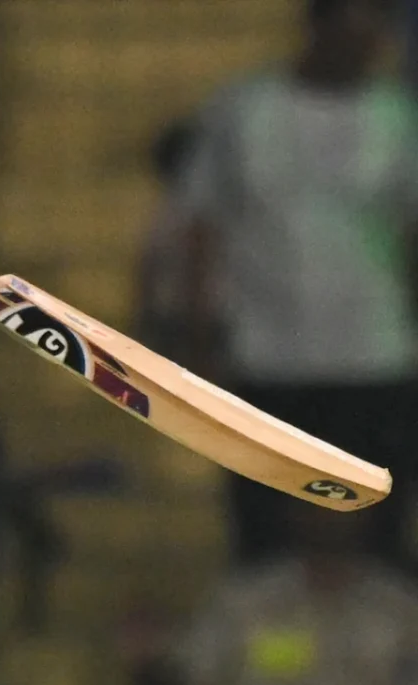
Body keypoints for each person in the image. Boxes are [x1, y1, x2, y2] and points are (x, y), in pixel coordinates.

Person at [177, 0, 418, 568]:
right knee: (265, 533)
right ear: (318, 26)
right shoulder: (244, 108)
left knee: (378, 535)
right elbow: (203, 224)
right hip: (268, 357)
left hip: (375, 357)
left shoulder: (399, 116)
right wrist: (200, 335)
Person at [118, 505, 418, 685]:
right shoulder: (246, 605)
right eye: (317, 501)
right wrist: (146, 662)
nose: (329, 514)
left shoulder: (401, 609)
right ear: (294, 509)